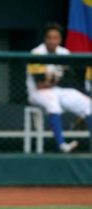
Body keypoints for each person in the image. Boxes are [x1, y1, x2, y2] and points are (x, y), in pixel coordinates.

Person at [26, 23, 92, 152]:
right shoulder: (36, 53)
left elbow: (68, 80)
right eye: (49, 37)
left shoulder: (64, 52)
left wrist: (53, 78)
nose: (52, 41)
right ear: (45, 39)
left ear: (60, 39)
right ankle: (61, 145)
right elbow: (40, 84)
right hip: (36, 93)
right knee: (53, 103)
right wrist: (56, 78)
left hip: (57, 90)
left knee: (88, 104)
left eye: (55, 37)